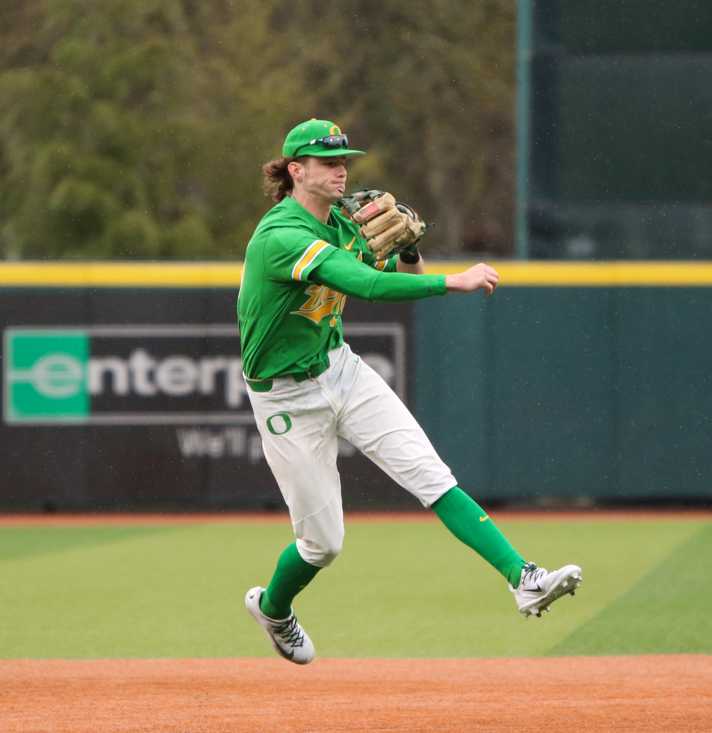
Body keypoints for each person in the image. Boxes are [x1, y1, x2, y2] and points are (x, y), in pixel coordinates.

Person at [237, 119, 581, 664]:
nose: (341, 169)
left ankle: (524, 577)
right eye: (327, 162)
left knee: (431, 475)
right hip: (284, 400)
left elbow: (396, 270)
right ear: (295, 171)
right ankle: (274, 608)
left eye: (344, 159)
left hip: (340, 369)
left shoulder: (347, 225)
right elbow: (369, 286)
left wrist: (414, 248)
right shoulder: (282, 236)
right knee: (323, 545)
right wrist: (454, 280)